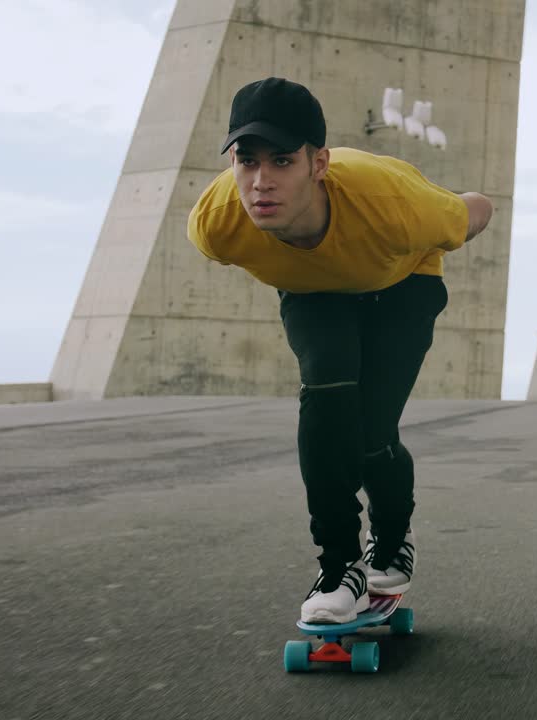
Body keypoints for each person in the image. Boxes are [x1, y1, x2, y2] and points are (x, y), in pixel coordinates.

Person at [186, 77, 494, 624]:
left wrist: (448, 226)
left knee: (371, 433)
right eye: (247, 161)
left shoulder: (394, 205)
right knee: (327, 394)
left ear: (318, 164)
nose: (260, 183)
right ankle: (339, 568)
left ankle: (393, 535)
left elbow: (477, 207)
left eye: (282, 161)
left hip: (404, 282)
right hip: (313, 291)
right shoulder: (216, 224)